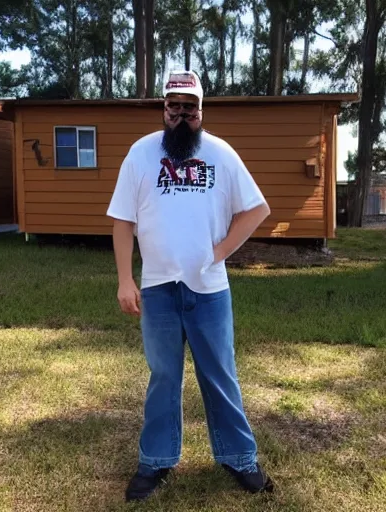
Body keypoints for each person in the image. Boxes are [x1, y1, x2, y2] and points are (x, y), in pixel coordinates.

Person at [106, 70, 273, 502]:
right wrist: (126, 279)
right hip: (158, 289)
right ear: (164, 108)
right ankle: (156, 462)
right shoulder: (141, 154)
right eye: (173, 106)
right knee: (163, 377)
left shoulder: (220, 154)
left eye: (190, 108)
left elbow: (256, 210)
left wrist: (219, 252)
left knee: (220, 375)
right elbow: (123, 220)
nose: (181, 115)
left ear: (202, 110)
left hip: (209, 289)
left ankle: (239, 457)